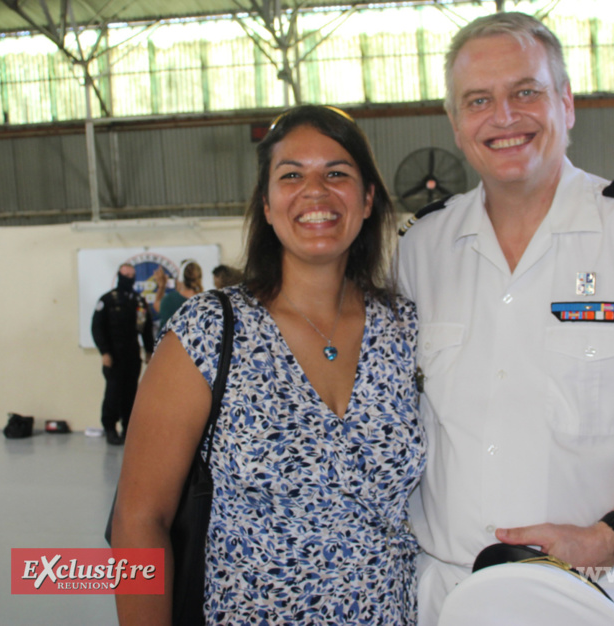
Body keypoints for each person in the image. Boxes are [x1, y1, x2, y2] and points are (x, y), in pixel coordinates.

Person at [395, 13, 614, 626]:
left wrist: (612, 536)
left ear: (566, 102)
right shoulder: (420, 248)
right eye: (479, 100)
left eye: (526, 91)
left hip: (591, 590)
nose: (504, 117)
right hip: (445, 594)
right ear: (455, 124)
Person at [111, 105, 425, 624]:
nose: (316, 192)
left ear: (368, 199)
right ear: (268, 202)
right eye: (292, 175)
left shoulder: (405, 329)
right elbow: (139, 518)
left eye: (337, 174)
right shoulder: (211, 330)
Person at [91, 262, 154, 445]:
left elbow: (145, 327)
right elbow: (97, 328)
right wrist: (104, 352)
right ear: (119, 275)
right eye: (125, 274)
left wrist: (149, 350)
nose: (128, 278)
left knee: (130, 394)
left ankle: (128, 429)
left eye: (131, 275)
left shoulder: (138, 301)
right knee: (113, 393)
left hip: (132, 355)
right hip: (113, 355)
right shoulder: (108, 300)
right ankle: (110, 428)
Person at [152, 260, 204, 335]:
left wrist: (161, 286)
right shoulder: (205, 300)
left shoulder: (170, 300)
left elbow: (157, 306)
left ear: (180, 277)